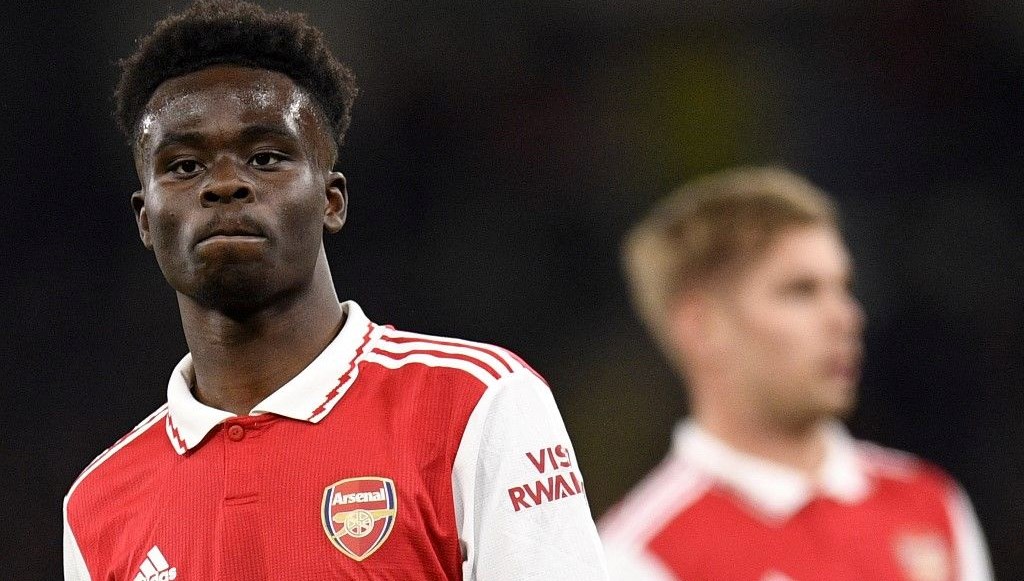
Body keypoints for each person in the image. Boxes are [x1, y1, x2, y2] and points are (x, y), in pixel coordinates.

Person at [61, 2, 607, 579]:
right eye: (184, 166)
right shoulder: (98, 506)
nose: (224, 184)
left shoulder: (476, 405)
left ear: (332, 200)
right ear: (145, 220)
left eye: (265, 158)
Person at [599, 167, 993, 581]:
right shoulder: (638, 560)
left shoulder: (930, 503)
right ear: (701, 325)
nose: (846, 318)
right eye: (800, 291)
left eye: (844, 288)